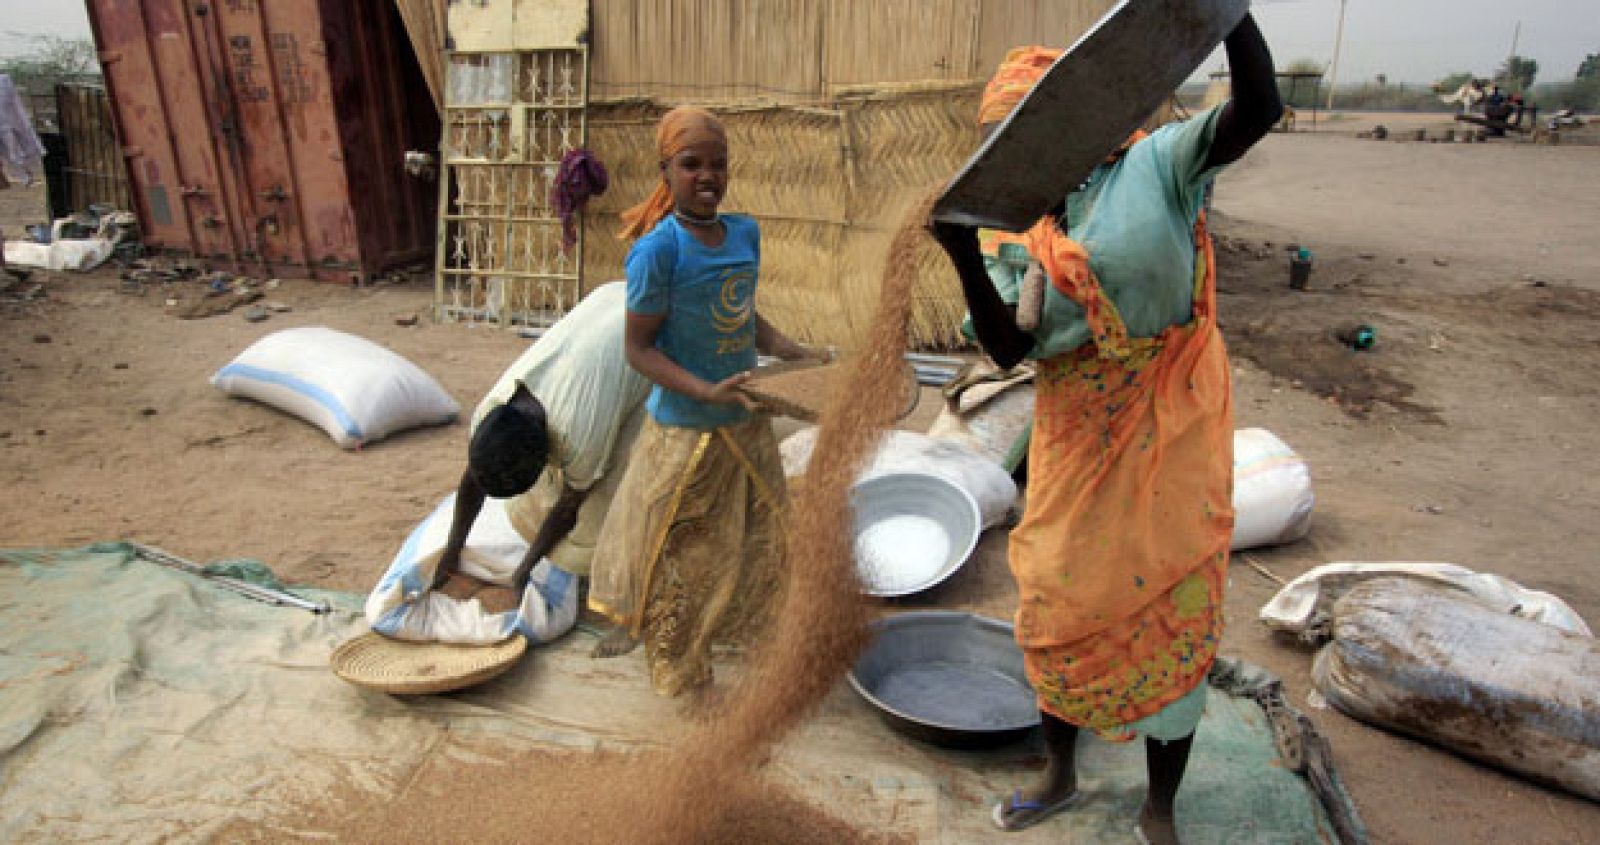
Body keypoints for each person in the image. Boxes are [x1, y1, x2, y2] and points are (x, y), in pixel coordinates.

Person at [930, 15, 1281, 845]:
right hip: (1075, 437)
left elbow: (1259, 109)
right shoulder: (1014, 226)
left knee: (1172, 606)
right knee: (1058, 606)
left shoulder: (1158, 163)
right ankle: (1059, 771)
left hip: (1173, 427)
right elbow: (1010, 346)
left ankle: (1159, 806)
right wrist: (962, 252)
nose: (1013, 158)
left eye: (1023, 137)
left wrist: (1226, 13)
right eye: (999, 145)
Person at [588, 105, 823, 699]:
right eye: (691, 164)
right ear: (666, 172)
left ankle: (749, 644)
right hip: (687, 434)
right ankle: (682, 674)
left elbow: (740, 310)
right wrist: (702, 389)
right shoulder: (657, 252)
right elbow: (639, 350)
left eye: (718, 164)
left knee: (763, 539)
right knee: (686, 562)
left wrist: (788, 350)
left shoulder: (744, 234)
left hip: (744, 419)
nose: (707, 176)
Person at [430, 280, 652, 640]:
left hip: (652, 332)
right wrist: (453, 548)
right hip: (608, 300)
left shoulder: (580, 437)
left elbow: (568, 509)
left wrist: (523, 570)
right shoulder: (490, 412)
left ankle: (617, 584)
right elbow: (472, 479)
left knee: (613, 489)